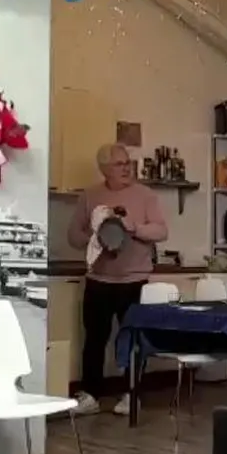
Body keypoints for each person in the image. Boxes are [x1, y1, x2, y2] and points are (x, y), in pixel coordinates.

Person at [66, 144, 168, 415]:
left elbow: (161, 231)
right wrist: (94, 235)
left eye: (127, 163)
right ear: (104, 169)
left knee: (133, 339)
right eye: (119, 164)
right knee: (94, 340)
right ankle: (90, 396)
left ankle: (131, 395)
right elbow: (73, 235)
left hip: (133, 280)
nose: (126, 168)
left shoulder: (145, 195)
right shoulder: (90, 196)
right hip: (98, 279)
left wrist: (134, 228)